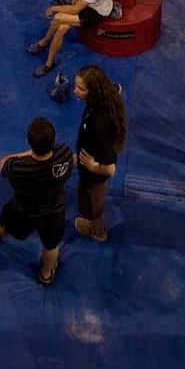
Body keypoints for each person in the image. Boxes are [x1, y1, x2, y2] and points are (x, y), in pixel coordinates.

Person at [0, 116, 74, 285]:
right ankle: (46, 274)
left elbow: (2, 164)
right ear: (54, 140)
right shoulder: (64, 152)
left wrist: (27, 154)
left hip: (25, 210)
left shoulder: (19, 167)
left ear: (28, 141)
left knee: (3, 225)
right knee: (51, 245)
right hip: (55, 209)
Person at [73, 66, 125, 242]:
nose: (75, 91)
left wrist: (92, 166)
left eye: (81, 89)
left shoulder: (99, 122)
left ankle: (97, 231)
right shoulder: (108, 94)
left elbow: (109, 170)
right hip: (89, 158)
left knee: (95, 204)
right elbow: (118, 89)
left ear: (93, 91)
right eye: (76, 86)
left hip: (94, 177)